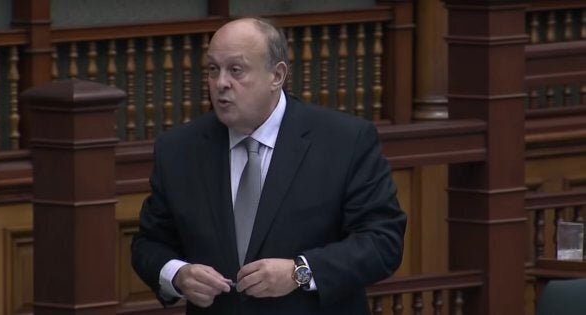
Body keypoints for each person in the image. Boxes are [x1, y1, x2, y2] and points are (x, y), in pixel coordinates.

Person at [131, 17, 406, 315]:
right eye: (213, 69)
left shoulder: (344, 141)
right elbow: (149, 243)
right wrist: (177, 274)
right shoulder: (179, 149)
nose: (221, 82)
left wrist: (299, 272)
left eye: (236, 70)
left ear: (277, 75)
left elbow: (383, 242)